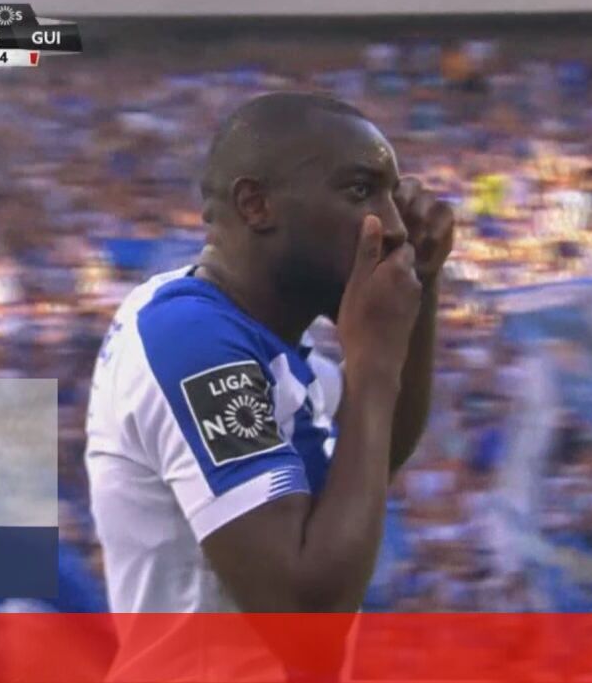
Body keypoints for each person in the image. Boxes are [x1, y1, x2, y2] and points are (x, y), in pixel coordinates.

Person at [86, 91, 454, 627]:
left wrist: (422, 284)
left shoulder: (254, 336)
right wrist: (373, 362)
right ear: (255, 205)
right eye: (360, 191)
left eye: (393, 198)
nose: (394, 227)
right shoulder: (192, 340)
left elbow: (375, 455)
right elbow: (305, 618)